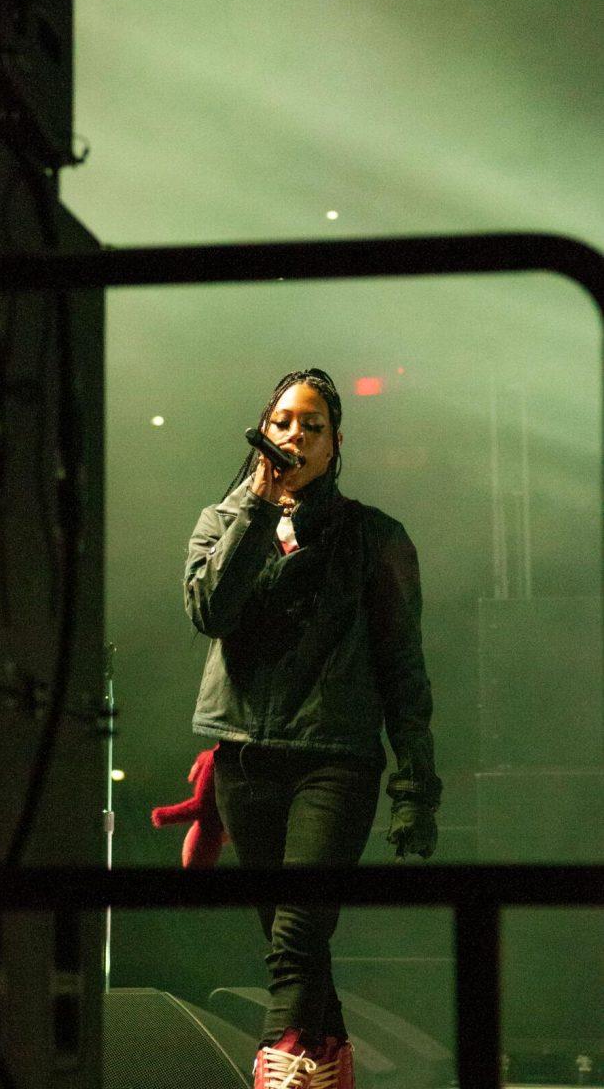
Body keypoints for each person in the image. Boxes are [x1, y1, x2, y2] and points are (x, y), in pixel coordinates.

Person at [183, 368, 441, 1089]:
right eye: (284, 422)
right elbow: (211, 613)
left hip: (334, 760)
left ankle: (281, 1072)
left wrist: (414, 783)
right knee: (286, 934)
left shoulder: (373, 537)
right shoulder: (221, 522)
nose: (296, 435)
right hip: (244, 758)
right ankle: (328, 1065)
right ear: (263, 432)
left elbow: (402, 667)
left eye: (313, 425)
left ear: (334, 442)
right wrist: (258, 512)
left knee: (296, 937)